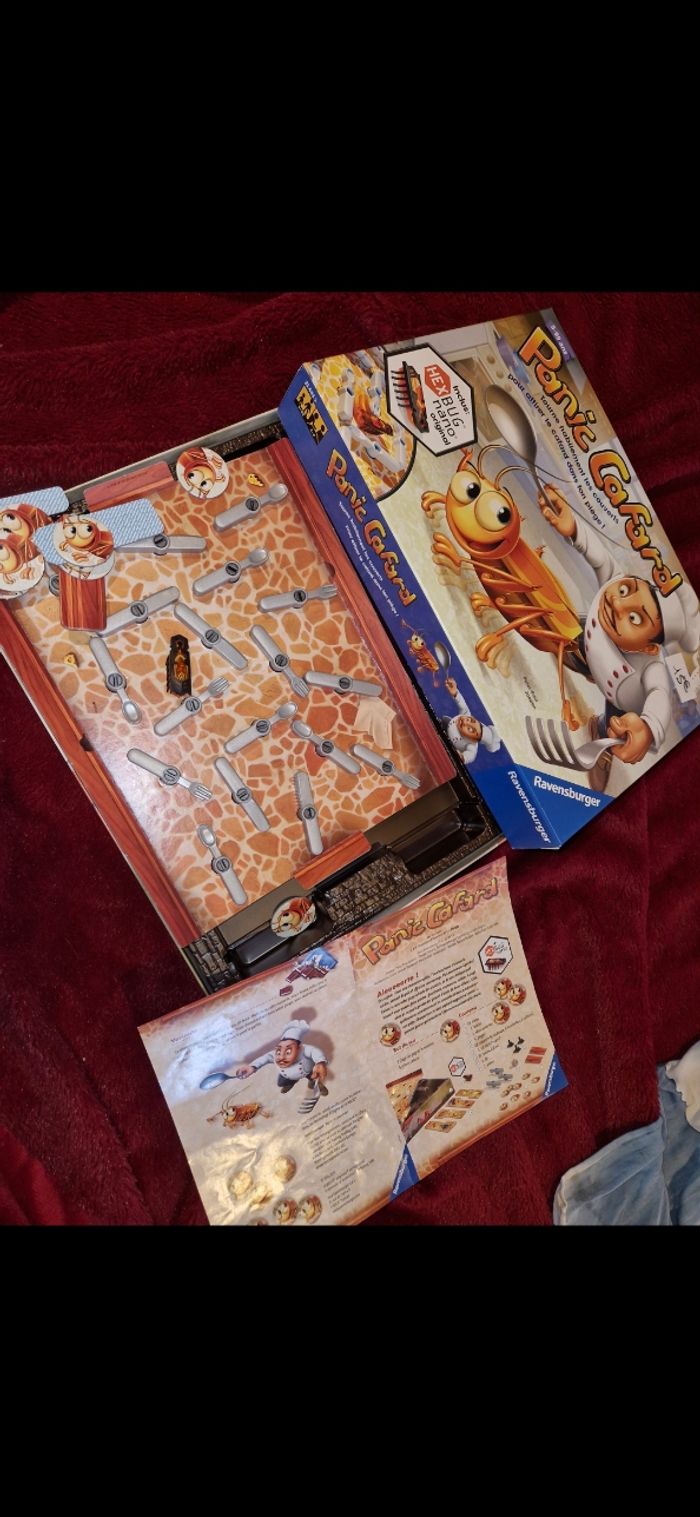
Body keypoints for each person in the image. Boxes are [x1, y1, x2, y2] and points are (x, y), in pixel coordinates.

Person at [538, 485, 700, 784]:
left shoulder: (651, 668)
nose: (617, 603)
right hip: (589, 644)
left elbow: (659, 697)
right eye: (626, 590)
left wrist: (647, 728)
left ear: (649, 648)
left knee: (611, 726)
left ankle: (603, 747)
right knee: (557, 619)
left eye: (635, 618)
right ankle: (563, 646)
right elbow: (601, 557)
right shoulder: (612, 589)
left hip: (618, 695)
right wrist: (573, 527)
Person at [236, 1019, 328, 1095]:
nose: (281, 1057)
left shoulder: (304, 1050)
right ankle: (292, 1082)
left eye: (288, 1051)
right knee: (281, 1083)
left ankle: (318, 1085)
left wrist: (320, 1062)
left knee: (314, 1077)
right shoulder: (275, 1055)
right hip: (287, 1075)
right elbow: (265, 1058)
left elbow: (314, 1051)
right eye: (279, 1050)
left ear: (299, 1048)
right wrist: (252, 1067)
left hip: (307, 1071)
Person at [442, 676, 501, 765]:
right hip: (444, 725)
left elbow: (470, 755)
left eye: (470, 729)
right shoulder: (466, 714)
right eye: (471, 721)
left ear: (473, 740)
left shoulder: (472, 745)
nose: (466, 722)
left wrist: (463, 757)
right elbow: (463, 705)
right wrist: (455, 692)